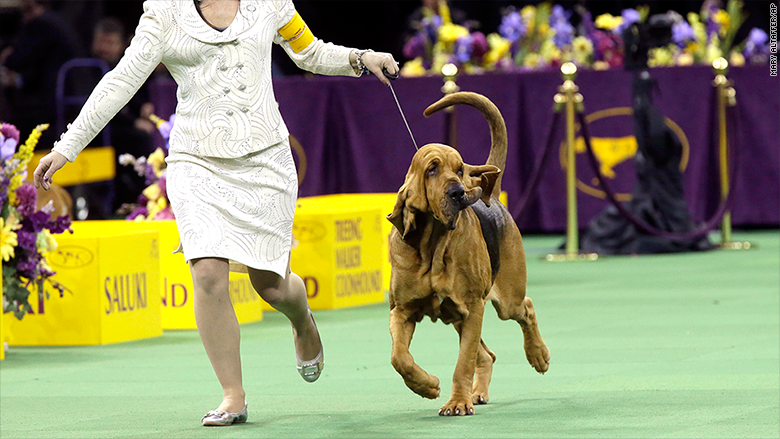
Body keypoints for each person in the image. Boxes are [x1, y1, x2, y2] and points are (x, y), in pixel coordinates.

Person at [33, 0, 398, 427]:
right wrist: (67, 146)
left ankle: (302, 321)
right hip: (196, 161)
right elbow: (120, 82)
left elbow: (310, 52)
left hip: (266, 163)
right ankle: (233, 395)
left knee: (273, 287)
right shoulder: (163, 13)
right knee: (206, 269)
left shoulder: (269, 2)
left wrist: (362, 58)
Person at [1, 0, 83, 149]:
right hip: (60, 89)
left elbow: (21, 58)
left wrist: (7, 58)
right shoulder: (55, 20)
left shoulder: (43, 24)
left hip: (52, 98)